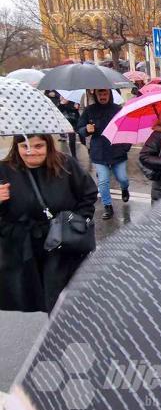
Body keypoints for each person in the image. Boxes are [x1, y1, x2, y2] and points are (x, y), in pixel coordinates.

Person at [0, 134, 98, 313]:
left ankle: (64, 334)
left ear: (48, 146)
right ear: (16, 148)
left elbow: (88, 194)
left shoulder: (66, 164)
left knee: (61, 301)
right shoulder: (5, 170)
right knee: (38, 295)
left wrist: (77, 222)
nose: (31, 152)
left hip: (61, 244)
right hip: (26, 246)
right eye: (25, 147)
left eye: (38, 146)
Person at [77, 89, 131, 220]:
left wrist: (125, 147)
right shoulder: (89, 110)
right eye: (100, 94)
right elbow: (79, 128)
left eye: (105, 94)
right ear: (96, 95)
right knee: (103, 181)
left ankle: (125, 188)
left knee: (123, 178)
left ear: (110, 95)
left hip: (118, 151)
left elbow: (127, 128)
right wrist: (86, 130)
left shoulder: (118, 109)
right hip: (99, 153)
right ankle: (108, 206)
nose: (103, 97)